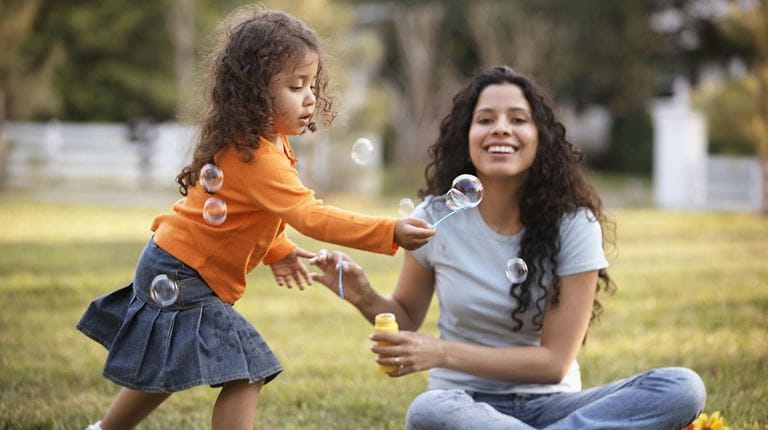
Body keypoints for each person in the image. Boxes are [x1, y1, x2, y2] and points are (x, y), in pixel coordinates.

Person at [76, 6, 434, 430]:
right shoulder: (258, 156)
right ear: (254, 91)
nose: (310, 98)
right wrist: (388, 230)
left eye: (312, 86)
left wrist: (277, 249)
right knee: (249, 369)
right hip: (183, 272)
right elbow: (309, 215)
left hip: (172, 263)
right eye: (295, 86)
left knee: (165, 363)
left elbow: (244, 215)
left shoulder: (258, 142)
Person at [310, 66, 706, 429]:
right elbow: (406, 319)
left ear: (541, 138)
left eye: (518, 119)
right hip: (462, 404)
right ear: (466, 137)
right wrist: (362, 295)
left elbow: (554, 364)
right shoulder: (435, 217)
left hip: (553, 403)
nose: (501, 129)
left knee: (682, 387)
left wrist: (442, 352)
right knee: (428, 412)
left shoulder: (573, 224)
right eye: (485, 120)